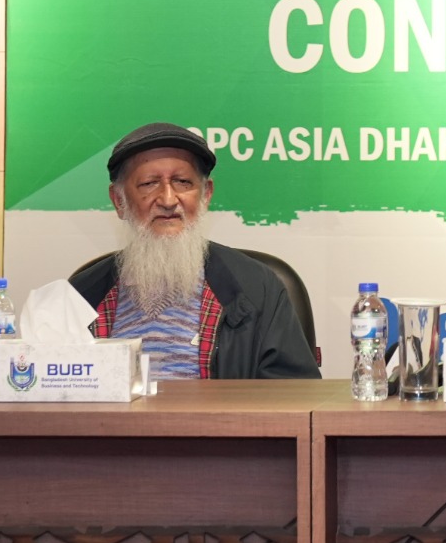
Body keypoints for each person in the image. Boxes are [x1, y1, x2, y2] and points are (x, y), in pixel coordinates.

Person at [71, 122, 319, 379]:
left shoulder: (258, 287)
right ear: (119, 201)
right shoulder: (81, 295)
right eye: (149, 183)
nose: (168, 200)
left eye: (182, 182)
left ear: (206, 195)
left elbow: (294, 394)